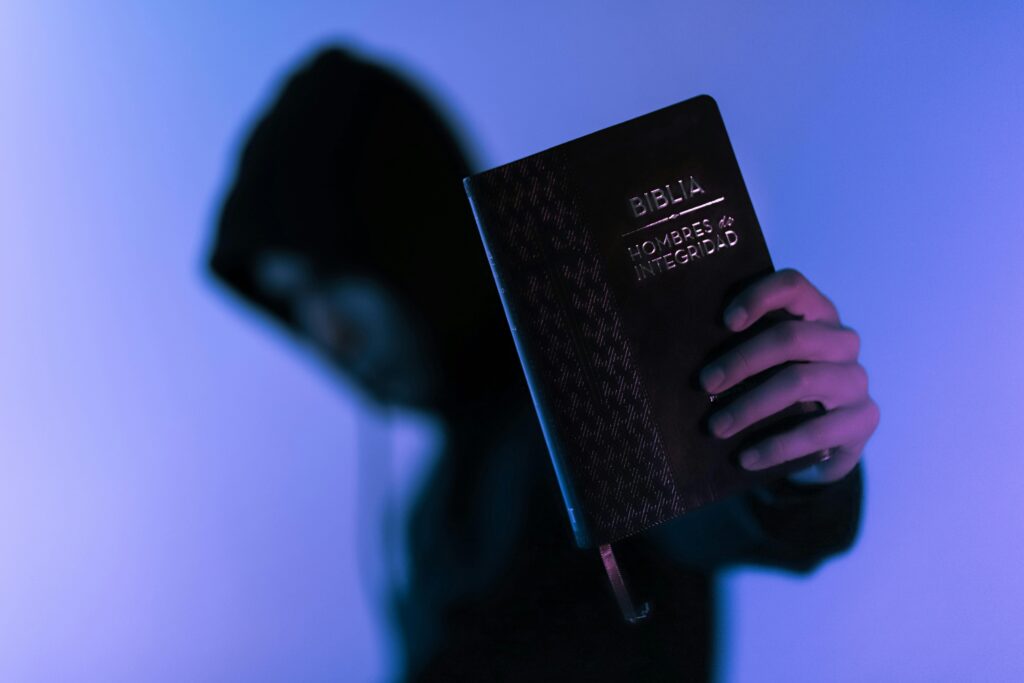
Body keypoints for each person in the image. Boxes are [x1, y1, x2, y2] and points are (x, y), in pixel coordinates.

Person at [208, 47, 879, 682]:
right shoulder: (429, 511)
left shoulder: (602, 402)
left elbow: (717, 507)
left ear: (408, 237)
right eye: (296, 302)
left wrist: (797, 456)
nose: (328, 332)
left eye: (334, 276)